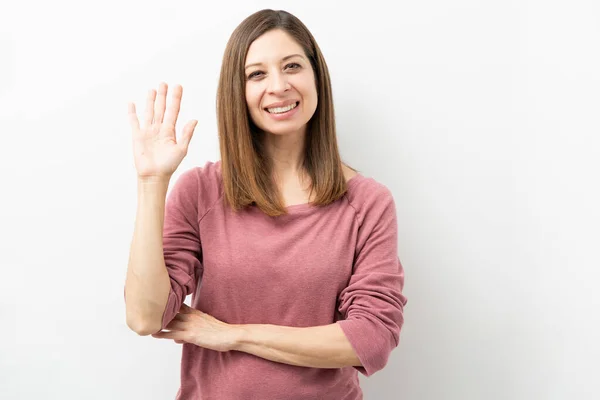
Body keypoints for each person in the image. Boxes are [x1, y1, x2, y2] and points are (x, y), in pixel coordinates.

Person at [124, 9, 407, 400]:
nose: (278, 86)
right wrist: (152, 183)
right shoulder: (201, 191)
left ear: (315, 76)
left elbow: (372, 339)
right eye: (257, 74)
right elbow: (144, 317)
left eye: (292, 66)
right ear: (237, 91)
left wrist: (233, 336)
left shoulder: (367, 202)